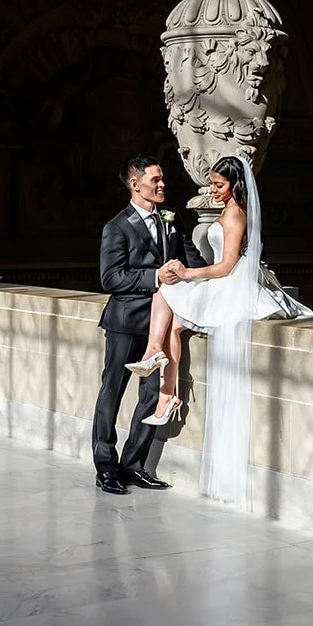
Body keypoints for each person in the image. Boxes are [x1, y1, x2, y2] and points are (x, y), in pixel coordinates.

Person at [125, 155, 313, 506]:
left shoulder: (236, 213)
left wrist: (188, 274)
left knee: (167, 294)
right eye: (212, 184)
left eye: (218, 185)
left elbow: (227, 265)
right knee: (173, 319)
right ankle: (165, 387)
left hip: (230, 283)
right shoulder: (228, 208)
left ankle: (159, 373)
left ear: (235, 185)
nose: (212, 190)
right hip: (221, 281)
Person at [92, 155, 206, 495]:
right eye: (155, 179)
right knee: (112, 391)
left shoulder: (172, 219)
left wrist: (209, 280)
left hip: (164, 325)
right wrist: (155, 276)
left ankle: (133, 466)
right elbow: (111, 278)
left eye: (162, 178)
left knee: (153, 394)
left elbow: (193, 261)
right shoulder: (116, 227)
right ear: (135, 184)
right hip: (127, 322)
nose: (162, 184)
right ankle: (106, 467)